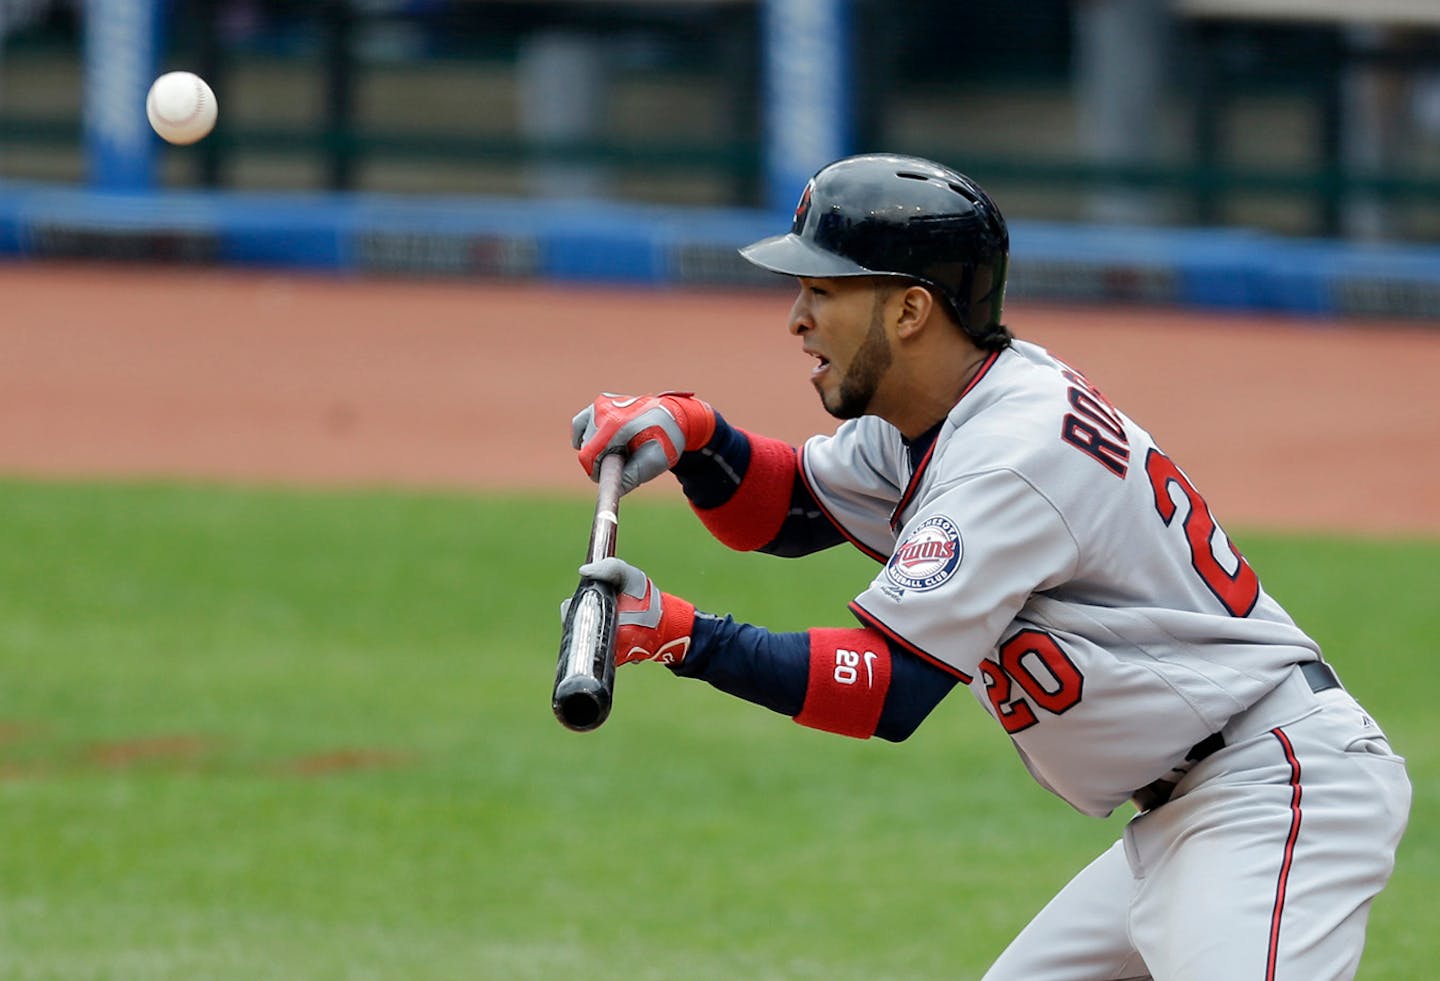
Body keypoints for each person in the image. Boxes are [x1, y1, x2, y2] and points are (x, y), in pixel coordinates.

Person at [567, 153, 1410, 979]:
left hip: (1272, 794)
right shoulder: (944, 410)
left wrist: (680, 635)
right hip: (1195, 806)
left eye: (822, 291)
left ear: (907, 310)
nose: (796, 318)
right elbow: (786, 510)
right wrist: (693, 431)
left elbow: (885, 691)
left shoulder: (1010, 454)